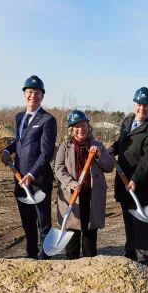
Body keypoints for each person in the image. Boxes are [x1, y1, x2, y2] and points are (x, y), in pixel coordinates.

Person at [0, 76, 56, 260]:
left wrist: (32, 174)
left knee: (43, 223)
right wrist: (8, 149)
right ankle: (31, 257)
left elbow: (46, 153)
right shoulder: (19, 117)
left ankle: (45, 258)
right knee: (27, 223)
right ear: (24, 95)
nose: (33, 96)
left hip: (39, 180)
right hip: (20, 179)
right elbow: (20, 141)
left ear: (42, 96)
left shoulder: (48, 120)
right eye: (30, 92)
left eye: (37, 93)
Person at [109, 87, 148, 267]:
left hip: (141, 183)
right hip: (123, 178)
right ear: (134, 105)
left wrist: (135, 179)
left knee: (141, 220)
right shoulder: (127, 122)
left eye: (146, 105)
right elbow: (122, 142)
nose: (142, 109)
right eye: (139, 105)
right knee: (127, 216)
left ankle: (143, 258)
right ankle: (130, 250)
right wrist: (112, 149)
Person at [54, 110, 114, 259]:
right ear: (71, 129)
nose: (81, 129)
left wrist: (99, 154)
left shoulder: (97, 145)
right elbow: (58, 168)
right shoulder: (64, 146)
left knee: (89, 235)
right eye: (76, 126)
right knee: (72, 234)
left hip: (92, 195)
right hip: (72, 194)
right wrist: (70, 183)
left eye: (83, 125)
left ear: (88, 126)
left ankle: (89, 267)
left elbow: (109, 166)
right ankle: (72, 267)